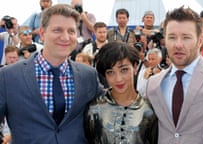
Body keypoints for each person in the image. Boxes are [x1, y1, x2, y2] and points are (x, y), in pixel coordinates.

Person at [0, 4, 103, 143]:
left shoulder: (88, 75)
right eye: (57, 30)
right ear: (42, 34)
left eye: (71, 31)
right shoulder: (8, 76)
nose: (65, 37)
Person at [146, 6, 203, 143]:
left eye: (186, 37)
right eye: (172, 37)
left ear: (200, 40)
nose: (178, 44)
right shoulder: (153, 83)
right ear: (165, 40)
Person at [85, 42, 158, 144]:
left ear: (135, 67)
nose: (118, 79)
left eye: (124, 70)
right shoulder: (94, 109)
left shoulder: (149, 110)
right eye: (110, 72)